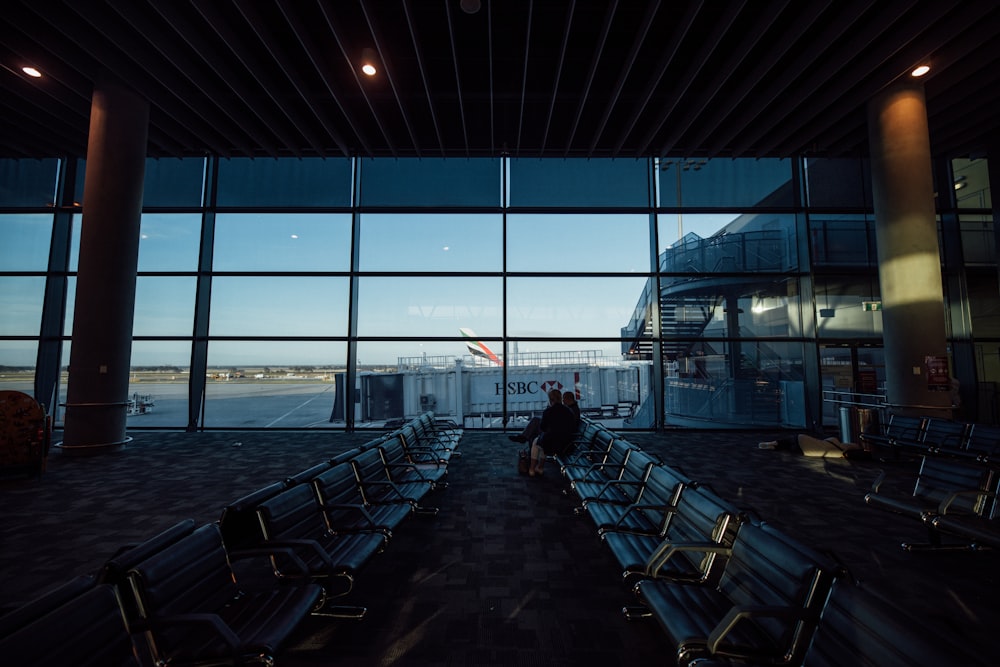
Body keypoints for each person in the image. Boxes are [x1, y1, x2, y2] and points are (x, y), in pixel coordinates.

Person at [527, 389, 578, 476]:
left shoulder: (548, 411)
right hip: (566, 444)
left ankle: (532, 469)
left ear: (551, 400)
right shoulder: (569, 411)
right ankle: (540, 467)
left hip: (552, 444)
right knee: (544, 441)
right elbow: (572, 427)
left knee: (537, 442)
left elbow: (543, 427)